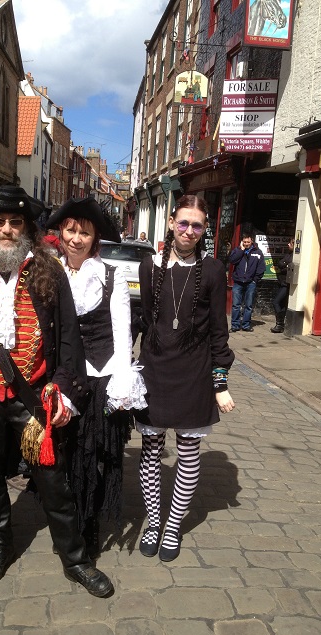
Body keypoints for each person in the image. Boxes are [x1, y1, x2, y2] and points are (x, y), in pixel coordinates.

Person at [0, 186, 113, 598]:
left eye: (15, 222)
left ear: (27, 228)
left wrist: (65, 394)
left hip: (35, 401)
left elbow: (69, 344)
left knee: (54, 482)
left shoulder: (50, 274)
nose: (7, 229)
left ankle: (76, 560)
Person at [133, 194, 235, 562]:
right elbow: (146, 319)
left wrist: (219, 382)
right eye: (183, 222)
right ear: (171, 223)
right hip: (155, 371)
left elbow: (219, 332)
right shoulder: (149, 267)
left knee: (189, 453)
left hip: (194, 373)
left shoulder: (212, 270)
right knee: (151, 450)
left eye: (197, 225)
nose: (189, 230)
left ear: (204, 228)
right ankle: (154, 521)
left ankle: (173, 527)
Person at [46, 196, 147, 557]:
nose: (76, 238)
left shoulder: (112, 275)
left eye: (84, 233)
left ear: (94, 239)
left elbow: (123, 331)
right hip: (61, 378)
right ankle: (68, 521)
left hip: (100, 377)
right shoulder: (48, 271)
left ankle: (88, 528)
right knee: (64, 454)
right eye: (70, 230)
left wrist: (122, 380)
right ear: (60, 232)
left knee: (92, 456)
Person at [228, 232, 266, 332]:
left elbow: (261, 267)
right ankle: (235, 325)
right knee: (236, 305)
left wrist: (255, 280)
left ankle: (246, 325)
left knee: (248, 306)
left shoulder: (258, 252)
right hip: (238, 282)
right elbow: (232, 260)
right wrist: (241, 250)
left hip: (250, 283)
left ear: (251, 241)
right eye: (244, 242)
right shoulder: (237, 250)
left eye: (248, 242)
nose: (246, 244)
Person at [270, 238, 294, 333]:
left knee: (276, 302)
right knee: (281, 304)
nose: (288, 244)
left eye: (290, 243)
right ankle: (280, 324)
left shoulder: (294, 256)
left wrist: (285, 266)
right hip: (282, 282)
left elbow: (287, 268)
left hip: (286, 284)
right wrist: (285, 265)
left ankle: (279, 324)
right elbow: (280, 264)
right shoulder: (288, 254)